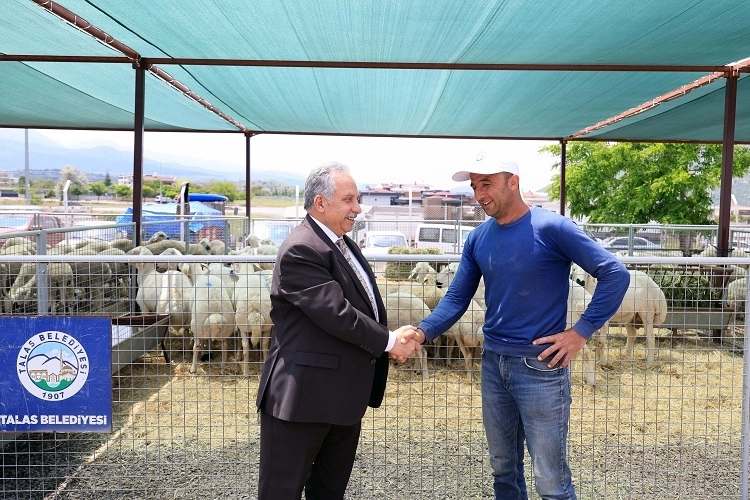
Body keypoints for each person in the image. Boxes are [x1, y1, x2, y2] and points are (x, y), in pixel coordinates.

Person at [413, 153, 630, 499]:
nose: (479, 194)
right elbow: (455, 299)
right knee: (503, 470)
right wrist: (421, 332)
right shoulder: (478, 238)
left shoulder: (553, 228)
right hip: (492, 363)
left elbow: (615, 274)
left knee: (551, 481)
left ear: (513, 182)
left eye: (487, 184)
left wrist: (580, 333)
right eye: (475, 186)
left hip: (540, 367)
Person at [256, 161, 421, 499]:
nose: (357, 208)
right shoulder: (302, 248)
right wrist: (390, 341)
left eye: (356, 199)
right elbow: (336, 313)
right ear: (320, 203)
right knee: (281, 491)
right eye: (348, 200)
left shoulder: (342, 243)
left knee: (329, 492)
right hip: (302, 400)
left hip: (341, 399)